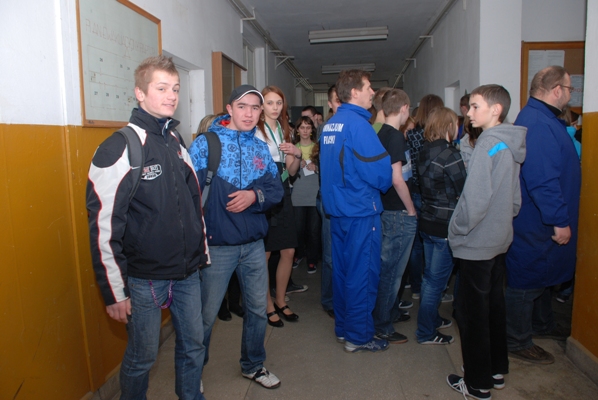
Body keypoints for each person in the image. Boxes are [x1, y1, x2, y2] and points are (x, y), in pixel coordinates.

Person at [86, 55, 208, 400]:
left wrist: (201, 253)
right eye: (162, 88)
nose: (171, 96)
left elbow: (193, 204)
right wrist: (114, 292)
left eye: (176, 89)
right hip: (144, 278)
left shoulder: (175, 140)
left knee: (193, 345)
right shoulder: (120, 146)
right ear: (140, 93)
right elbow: (103, 226)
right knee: (143, 357)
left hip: (187, 272)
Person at [188, 84, 284, 389]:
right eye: (242, 106)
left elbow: (276, 190)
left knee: (257, 311)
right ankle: (192, 375)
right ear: (229, 109)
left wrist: (254, 196)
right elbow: (187, 193)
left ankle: (253, 365)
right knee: (205, 316)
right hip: (217, 247)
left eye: (255, 108)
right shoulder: (206, 144)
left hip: (254, 246)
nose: (249, 113)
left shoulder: (260, 148)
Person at [447, 84, 526, 399]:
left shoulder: (487, 145)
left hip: (478, 243)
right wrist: (501, 221)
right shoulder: (508, 143)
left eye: (475, 106)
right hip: (499, 239)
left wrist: (458, 229)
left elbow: (475, 201)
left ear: (496, 110)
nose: (469, 112)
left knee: (472, 315)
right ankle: (494, 371)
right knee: (494, 307)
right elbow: (515, 199)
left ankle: (477, 384)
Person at [505, 66, 581, 364]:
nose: (570, 95)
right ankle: (517, 340)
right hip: (537, 221)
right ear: (557, 90)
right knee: (526, 282)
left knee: (541, 279)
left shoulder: (543, 118)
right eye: (569, 89)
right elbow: (542, 179)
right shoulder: (538, 122)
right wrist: (559, 220)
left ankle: (542, 324)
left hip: (540, 219)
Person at [320, 69, 392, 353]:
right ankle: (358, 336)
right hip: (360, 211)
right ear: (354, 92)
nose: (373, 92)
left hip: (338, 211)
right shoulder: (359, 125)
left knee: (342, 273)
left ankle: (344, 329)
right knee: (362, 274)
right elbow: (380, 174)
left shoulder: (331, 124)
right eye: (369, 87)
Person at [416, 107, 467, 345]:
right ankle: (426, 332)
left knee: (430, 278)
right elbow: (464, 189)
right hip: (445, 226)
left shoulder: (424, 150)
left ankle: (432, 318)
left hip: (427, 222)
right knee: (435, 283)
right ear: (449, 126)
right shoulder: (450, 154)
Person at [371, 88, 416, 345]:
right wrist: (411, 209)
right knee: (392, 272)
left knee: (387, 268)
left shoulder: (378, 134)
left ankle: (389, 312)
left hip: (384, 208)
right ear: (404, 109)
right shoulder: (396, 136)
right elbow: (398, 179)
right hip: (398, 211)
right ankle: (383, 325)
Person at [255, 85, 303, 327]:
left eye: (279, 103)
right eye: (270, 102)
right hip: (264, 191)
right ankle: (267, 305)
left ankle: (281, 300)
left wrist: (297, 154)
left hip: (283, 191)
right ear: (262, 105)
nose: (275, 107)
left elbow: (292, 172)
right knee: (264, 254)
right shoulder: (255, 130)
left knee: (288, 251)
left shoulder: (286, 130)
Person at [405, 94, 445, 301]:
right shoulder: (436, 139)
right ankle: (433, 288)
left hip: (414, 190)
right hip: (434, 194)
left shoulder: (411, 135)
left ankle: (417, 287)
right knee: (434, 242)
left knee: (416, 244)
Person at [317, 85, 342, 318]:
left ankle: (340, 297)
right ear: (330, 104)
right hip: (329, 200)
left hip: (345, 201)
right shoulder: (326, 129)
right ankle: (329, 300)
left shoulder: (352, 126)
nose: (340, 104)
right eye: (337, 100)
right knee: (330, 256)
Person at [292, 116, 321, 275]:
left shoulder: (318, 147)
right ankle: (298, 255)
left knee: (314, 231)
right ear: (297, 130)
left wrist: (317, 168)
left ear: (312, 130)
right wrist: (296, 164)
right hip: (298, 194)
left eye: (308, 127)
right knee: (298, 229)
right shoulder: (293, 148)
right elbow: (287, 173)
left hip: (315, 194)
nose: (305, 130)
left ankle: (312, 259)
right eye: (302, 127)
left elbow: (328, 169)